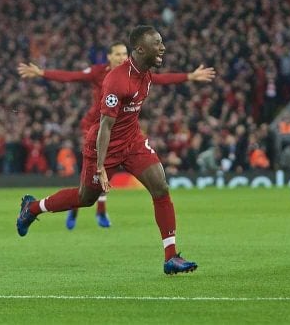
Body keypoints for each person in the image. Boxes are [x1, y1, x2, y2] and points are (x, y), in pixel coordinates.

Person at [16, 26, 215, 275]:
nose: (163, 47)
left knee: (161, 187)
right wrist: (100, 167)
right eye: (157, 43)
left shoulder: (146, 72)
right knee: (85, 198)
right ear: (141, 49)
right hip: (104, 146)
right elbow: (105, 128)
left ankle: (171, 257)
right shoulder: (115, 80)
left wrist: (189, 77)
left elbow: (162, 80)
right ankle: (32, 208)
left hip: (132, 141)